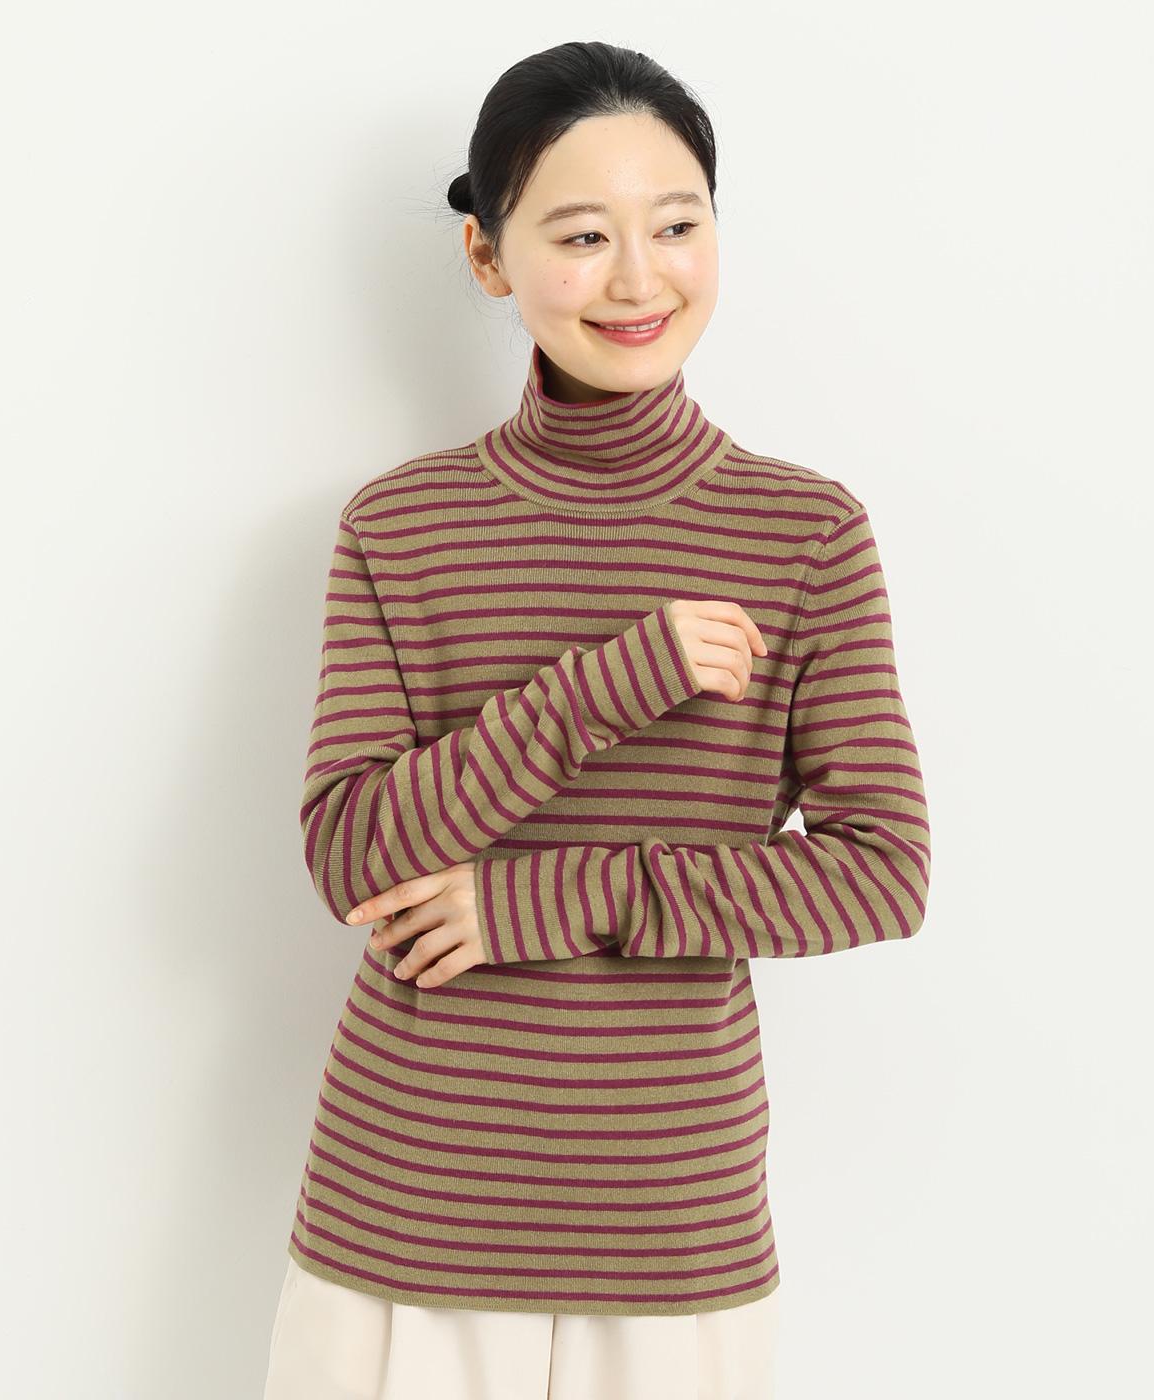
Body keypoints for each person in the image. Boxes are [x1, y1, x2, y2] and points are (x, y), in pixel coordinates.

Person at [263, 38, 931, 1400]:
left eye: (677, 226)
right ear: (488, 258)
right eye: (582, 235)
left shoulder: (805, 534)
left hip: (668, 1220)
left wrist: (543, 898)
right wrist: (610, 686)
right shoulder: (400, 526)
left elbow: (883, 873)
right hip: (408, 1204)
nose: (639, 279)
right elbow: (351, 857)